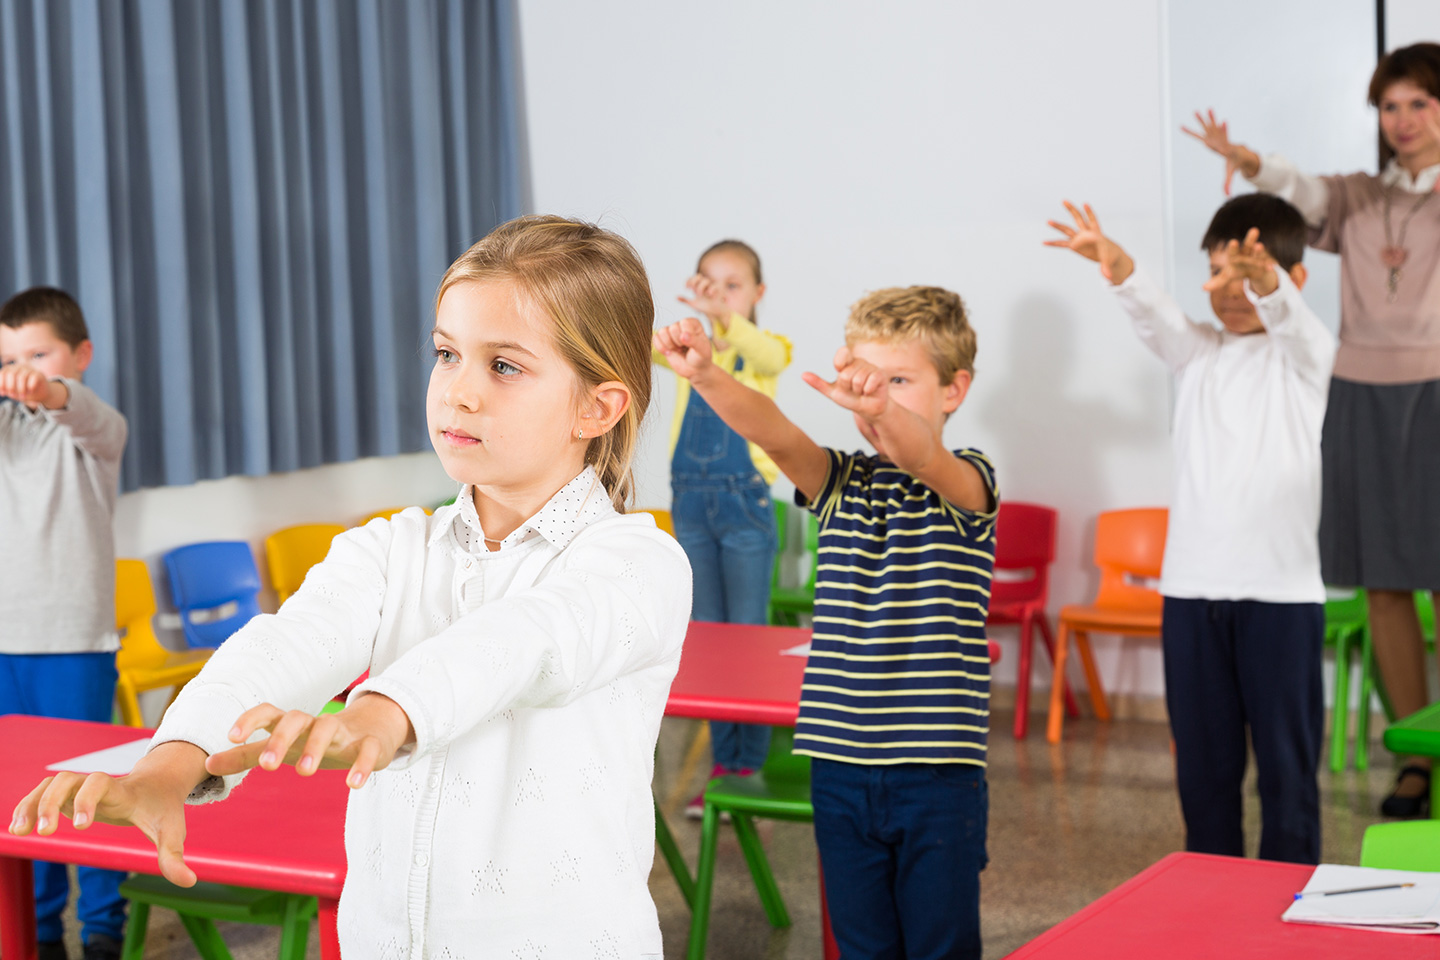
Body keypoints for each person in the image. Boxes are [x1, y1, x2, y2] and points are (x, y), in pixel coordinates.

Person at [10, 216, 692, 958]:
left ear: (598, 406)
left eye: (504, 366)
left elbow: (529, 639)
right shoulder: (391, 546)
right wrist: (166, 768)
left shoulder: (638, 562)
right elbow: (280, 649)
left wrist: (384, 711)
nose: (457, 392)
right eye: (446, 353)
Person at [654, 284, 996, 959]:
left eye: (900, 380)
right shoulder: (841, 484)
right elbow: (771, 430)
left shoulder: (969, 482)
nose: (878, 395)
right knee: (861, 946)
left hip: (935, 776)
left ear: (954, 390)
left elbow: (922, 452)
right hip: (839, 767)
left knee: (941, 946)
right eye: (867, 378)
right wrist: (705, 375)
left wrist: (882, 412)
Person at [1183, 41, 1440, 818]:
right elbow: (1298, 188)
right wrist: (1249, 159)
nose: (1401, 119)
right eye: (1389, 105)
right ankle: (1416, 762)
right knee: (1384, 582)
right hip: (1360, 393)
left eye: (1419, 103)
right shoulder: (1358, 198)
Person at [1046, 194, 1335, 863]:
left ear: (1293, 280)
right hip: (1191, 597)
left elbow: (1293, 324)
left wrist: (1264, 283)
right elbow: (1155, 315)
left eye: (1247, 277)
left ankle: (1285, 910)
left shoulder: (1311, 359)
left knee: (1288, 781)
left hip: (1282, 601)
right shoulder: (1198, 355)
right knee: (1204, 779)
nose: (1229, 293)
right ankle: (1212, 906)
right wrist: (1117, 265)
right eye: (1217, 274)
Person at [0, 287, 129, 960]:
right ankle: (39, 928)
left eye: (40, 353)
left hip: (73, 644)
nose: (21, 368)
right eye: (9, 358)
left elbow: (78, 411)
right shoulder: (4, 432)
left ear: (80, 355)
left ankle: (104, 923)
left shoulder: (95, 430)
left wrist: (45, 389)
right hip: (4, 646)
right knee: (21, 794)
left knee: (86, 789)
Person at [653, 239, 792, 817]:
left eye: (732, 285)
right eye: (708, 282)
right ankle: (719, 771)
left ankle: (747, 769)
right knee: (708, 639)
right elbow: (644, 348)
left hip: (743, 507)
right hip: (689, 503)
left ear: (757, 295)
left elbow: (768, 357)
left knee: (749, 637)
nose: (720, 293)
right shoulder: (691, 352)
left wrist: (722, 318)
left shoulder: (765, 350)